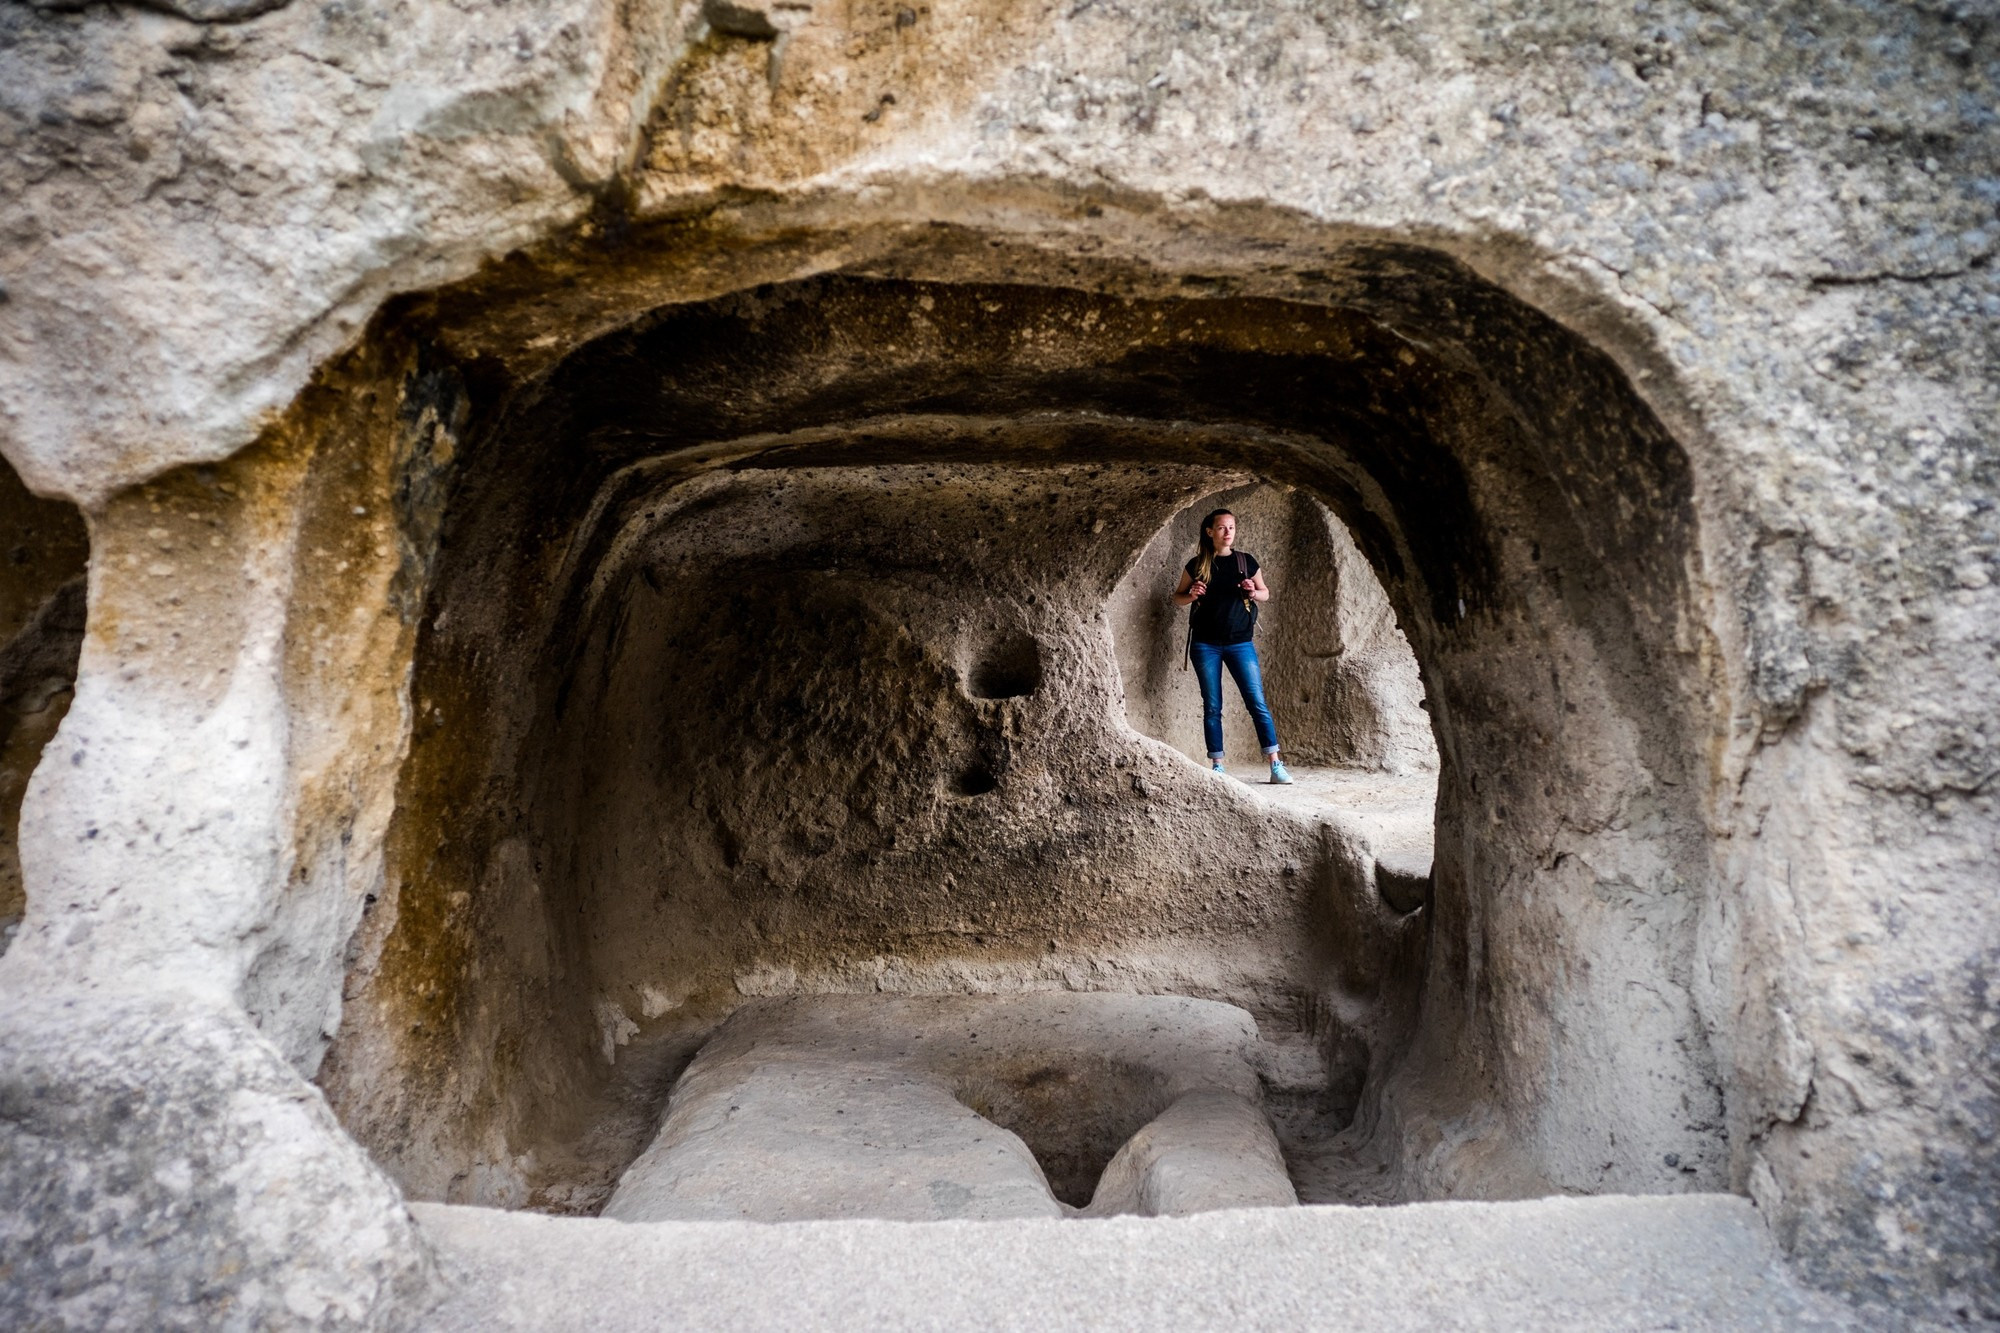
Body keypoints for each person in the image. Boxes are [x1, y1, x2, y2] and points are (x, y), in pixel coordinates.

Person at [1172, 508, 1292, 784]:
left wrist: (1253, 591)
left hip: (1240, 643)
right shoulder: (1197, 565)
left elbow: (1265, 593)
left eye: (1232, 527)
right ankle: (1218, 766)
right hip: (1205, 644)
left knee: (1257, 702)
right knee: (1212, 706)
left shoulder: (1245, 561)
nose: (1228, 532)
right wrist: (1191, 595)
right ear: (1210, 532)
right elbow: (1177, 598)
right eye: (1222, 527)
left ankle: (1275, 765)